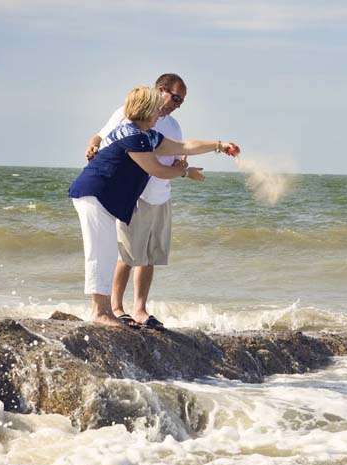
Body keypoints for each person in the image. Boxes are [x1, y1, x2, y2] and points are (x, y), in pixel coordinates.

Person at [69, 85, 239, 326]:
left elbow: (184, 147)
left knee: (106, 253)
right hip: (94, 194)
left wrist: (219, 145)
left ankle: (104, 310)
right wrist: (180, 171)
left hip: (105, 199)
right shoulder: (133, 135)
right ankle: (101, 313)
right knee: (100, 253)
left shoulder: (147, 134)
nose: (160, 113)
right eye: (156, 109)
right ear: (145, 110)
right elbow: (156, 169)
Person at [83, 74, 193, 329]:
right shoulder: (128, 113)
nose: (177, 104)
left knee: (150, 255)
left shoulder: (173, 126)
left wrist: (182, 165)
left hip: (161, 196)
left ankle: (140, 309)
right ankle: (116, 307)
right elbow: (100, 136)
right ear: (161, 90)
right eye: (175, 97)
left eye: (182, 101)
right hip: (137, 193)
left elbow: (179, 154)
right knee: (128, 254)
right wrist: (92, 148)